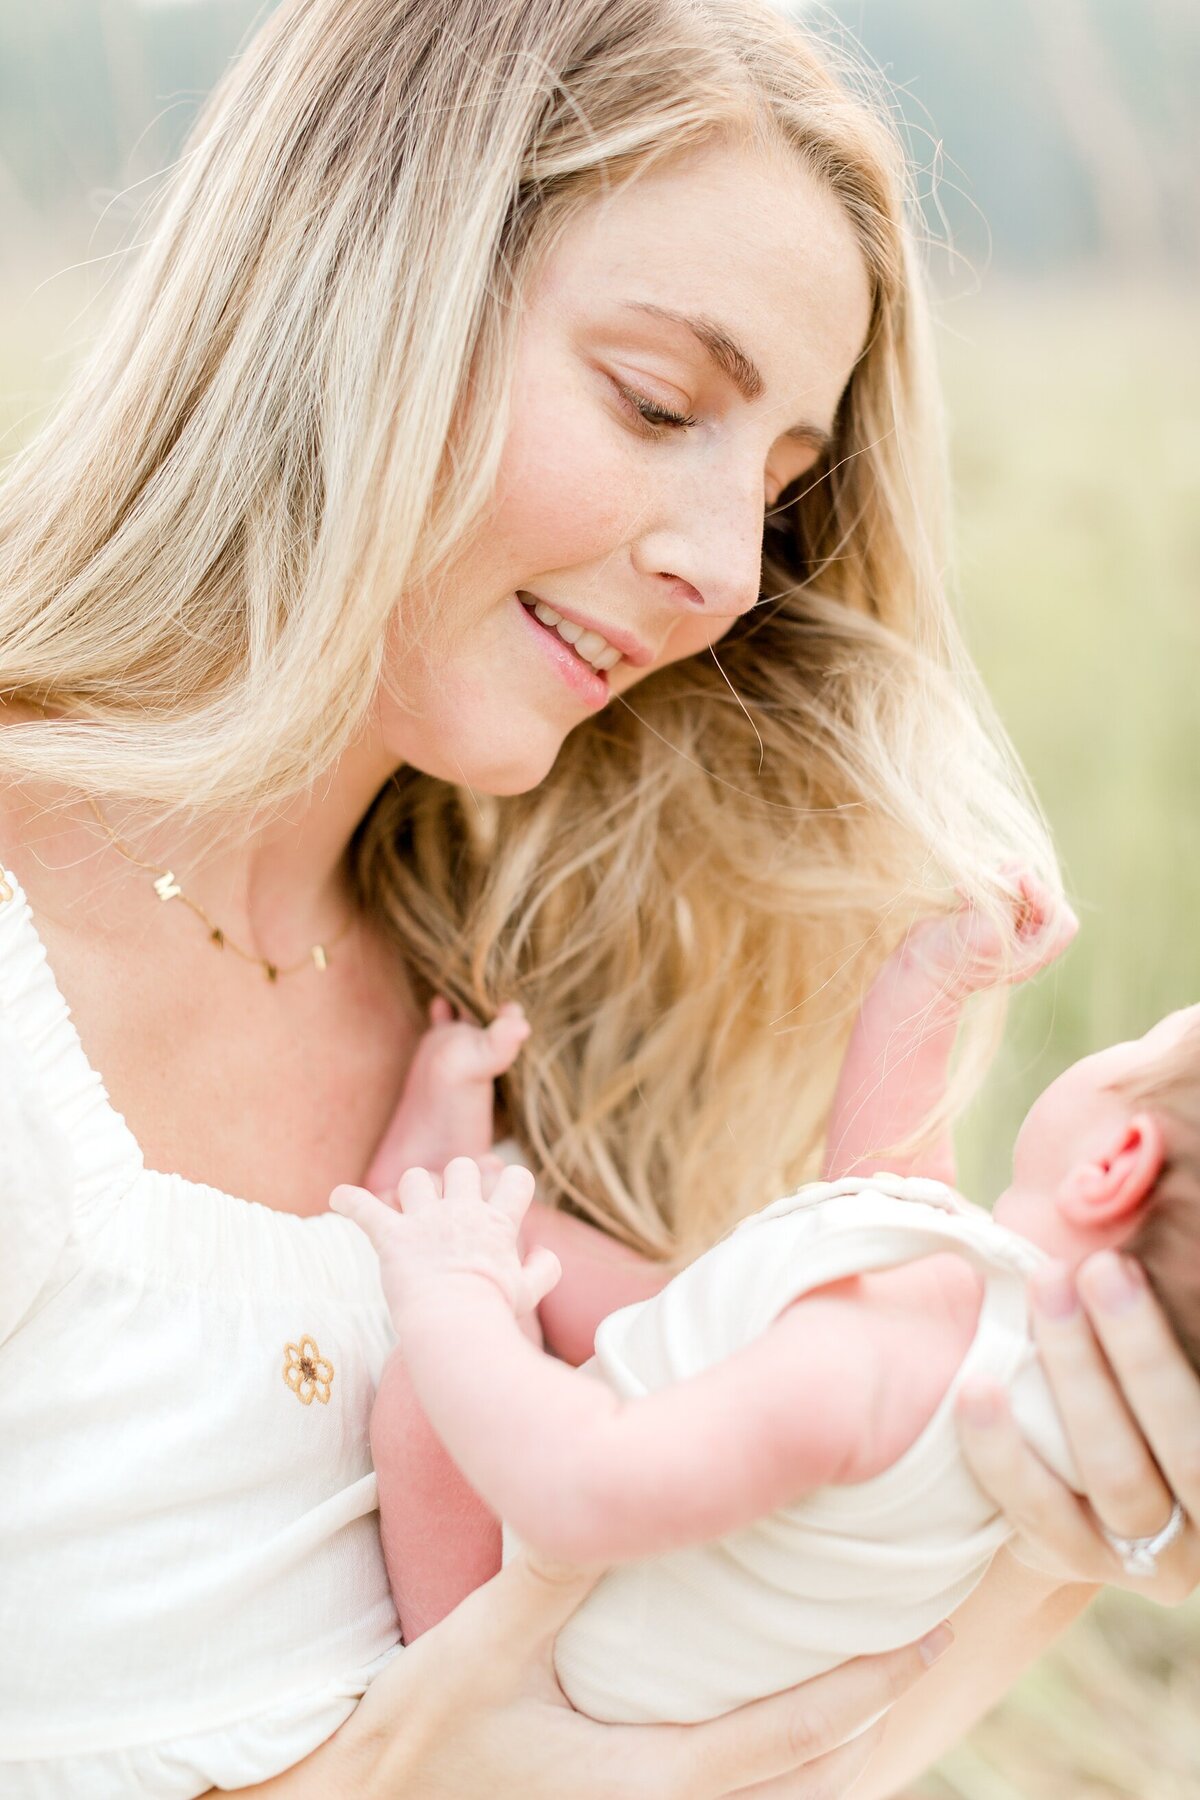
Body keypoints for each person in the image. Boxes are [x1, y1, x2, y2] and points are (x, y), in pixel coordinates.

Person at [0, 0, 1196, 1795]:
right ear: (356, 284)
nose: (723, 570)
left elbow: (738, 1760)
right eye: (656, 405)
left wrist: (1059, 1524)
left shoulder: (517, 1010)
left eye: (783, 494)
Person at [331, 876, 1200, 1727]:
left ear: (1114, 1162)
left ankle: (425, 1243)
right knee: (632, 1275)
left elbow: (579, 1484)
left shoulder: (874, 1366)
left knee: (432, 1394)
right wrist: (929, 982)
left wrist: (458, 1304)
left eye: (1145, 1042)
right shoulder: (995, 1344)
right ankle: (446, 1192)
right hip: (665, 1514)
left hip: (530, 1639)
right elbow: (883, 1186)